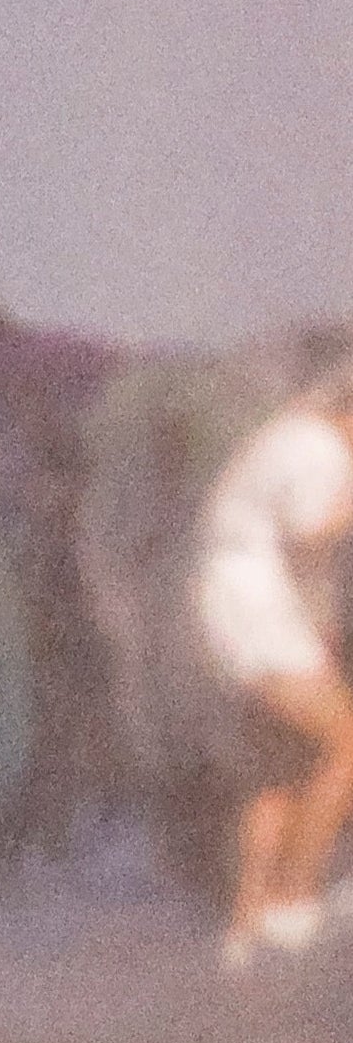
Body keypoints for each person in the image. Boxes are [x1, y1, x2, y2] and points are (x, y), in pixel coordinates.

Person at [191, 369, 353, 968]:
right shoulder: (325, 448)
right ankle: (295, 899)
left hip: (235, 603)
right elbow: (310, 531)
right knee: (346, 741)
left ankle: (246, 924)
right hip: (256, 607)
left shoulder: (285, 434)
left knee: (276, 765)